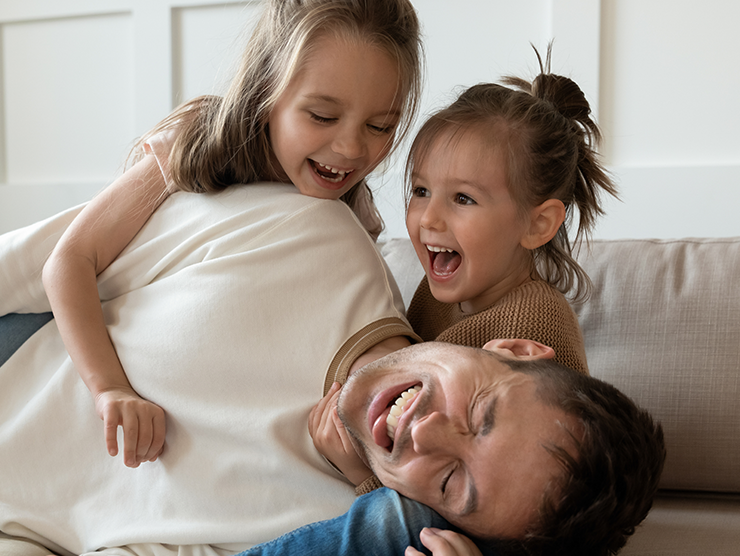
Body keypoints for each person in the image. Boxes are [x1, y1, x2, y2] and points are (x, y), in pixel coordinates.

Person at [0, 0, 425, 554]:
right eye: (322, 116)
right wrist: (110, 389)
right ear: (267, 89)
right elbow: (68, 260)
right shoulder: (196, 143)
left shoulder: (354, 217)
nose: (350, 148)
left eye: (379, 126)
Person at [241, 341, 666, 556]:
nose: (423, 434)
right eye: (480, 413)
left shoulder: (405, 528)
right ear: (516, 350)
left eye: (448, 481)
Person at [404, 46, 618, 374]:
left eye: (463, 198)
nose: (429, 218)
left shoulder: (532, 324)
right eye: (421, 191)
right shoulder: (438, 291)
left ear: (538, 225)